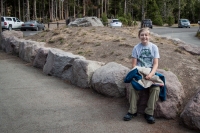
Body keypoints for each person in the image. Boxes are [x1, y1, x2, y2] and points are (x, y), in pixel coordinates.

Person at [123, 28, 160, 124]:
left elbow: (155, 64)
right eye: (142, 35)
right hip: (139, 72)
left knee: (156, 88)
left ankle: (149, 113)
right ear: (139, 36)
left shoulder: (154, 47)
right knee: (132, 87)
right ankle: (132, 111)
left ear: (149, 36)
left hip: (150, 72)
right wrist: (141, 74)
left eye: (146, 35)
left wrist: (151, 74)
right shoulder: (136, 48)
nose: (144, 37)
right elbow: (134, 65)